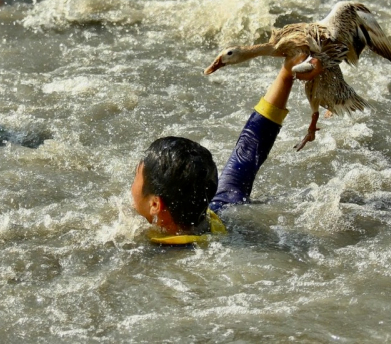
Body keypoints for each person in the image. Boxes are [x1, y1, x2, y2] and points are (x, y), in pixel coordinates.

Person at [131, 55, 323, 245]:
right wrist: (287, 73)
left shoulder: (143, 254)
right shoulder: (222, 211)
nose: (132, 186)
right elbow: (250, 146)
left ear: (155, 204)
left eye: (136, 177)